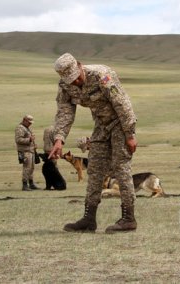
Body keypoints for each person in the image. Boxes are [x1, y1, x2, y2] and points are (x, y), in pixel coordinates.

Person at [49, 53, 138, 233]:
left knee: (121, 168)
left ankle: (129, 218)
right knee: (95, 169)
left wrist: (129, 134)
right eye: (70, 80)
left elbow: (122, 104)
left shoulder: (101, 75)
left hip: (120, 124)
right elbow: (65, 112)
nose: (75, 83)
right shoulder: (65, 85)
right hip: (101, 125)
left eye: (76, 78)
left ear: (80, 66)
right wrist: (59, 139)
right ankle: (89, 219)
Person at [15, 115, 40, 191]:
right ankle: (25, 185)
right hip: (25, 151)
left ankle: (31, 183)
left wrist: (33, 145)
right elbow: (18, 140)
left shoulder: (26, 128)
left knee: (31, 168)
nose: (30, 124)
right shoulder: (20, 128)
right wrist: (29, 140)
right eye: (29, 122)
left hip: (30, 150)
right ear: (24, 120)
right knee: (27, 168)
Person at [41, 125, 66, 190]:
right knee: (53, 171)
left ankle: (50, 185)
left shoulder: (46, 131)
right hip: (52, 151)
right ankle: (54, 184)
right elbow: (57, 141)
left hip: (48, 150)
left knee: (51, 172)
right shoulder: (54, 131)